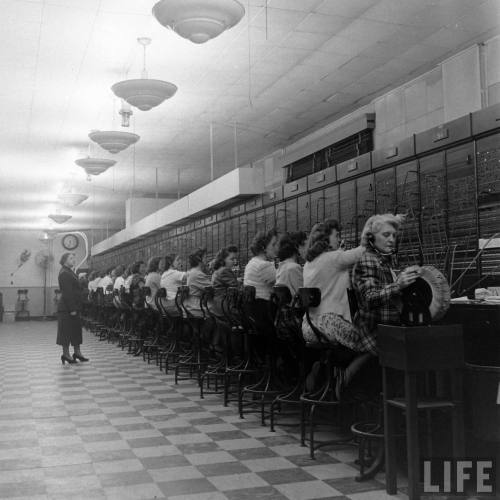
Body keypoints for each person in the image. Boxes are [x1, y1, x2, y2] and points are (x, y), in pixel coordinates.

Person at [351, 213, 420, 353]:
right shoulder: (367, 260)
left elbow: (386, 290)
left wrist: (407, 277)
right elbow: (370, 298)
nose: (391, 240)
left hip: (388, 328)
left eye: (394, 236)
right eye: (386, 235)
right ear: (371, 238)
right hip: (375, 333)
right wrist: (398, 285)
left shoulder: (382, 260)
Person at [302, 219, 367, 351]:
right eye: (336, 235)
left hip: (310, 326)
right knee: (371, 342)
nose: (339, 239)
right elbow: (360, 252)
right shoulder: (333, 258)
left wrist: (339, 252)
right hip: (330, 325)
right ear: (325, 240)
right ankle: (350, 372)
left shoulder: (309, 263)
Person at [57, 252, 88, 364]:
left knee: (76, 330)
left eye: (74, 258)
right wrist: (72, 309)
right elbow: (67, 293)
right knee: (65, 332)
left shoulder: (69, 271)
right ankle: (66, 354)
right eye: (71, 258)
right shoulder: (64, 273)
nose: (74, 260)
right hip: (67, 308)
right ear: (64, 260)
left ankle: (77, 353)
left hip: (73, 306)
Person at [276, 232, 306, 298]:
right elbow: (302, 293)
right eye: (303, 244)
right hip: (295, 306)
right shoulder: (294, 268)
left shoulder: (281, 266)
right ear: (296, 247)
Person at [211, 245, 239, 316]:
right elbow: (236, 288)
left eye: (235, 259)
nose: (235, 262)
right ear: (223, 260)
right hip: (225, 306)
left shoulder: (218, 270)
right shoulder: (225, 270)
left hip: (217, 306)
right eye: (232, 259)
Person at [184, 249, 211, 318]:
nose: (207, 259)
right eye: (205, 257)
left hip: (191, 305)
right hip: (196, 307)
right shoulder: (197, 274)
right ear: (199, 259)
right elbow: (212, 289)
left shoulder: (192, 271)